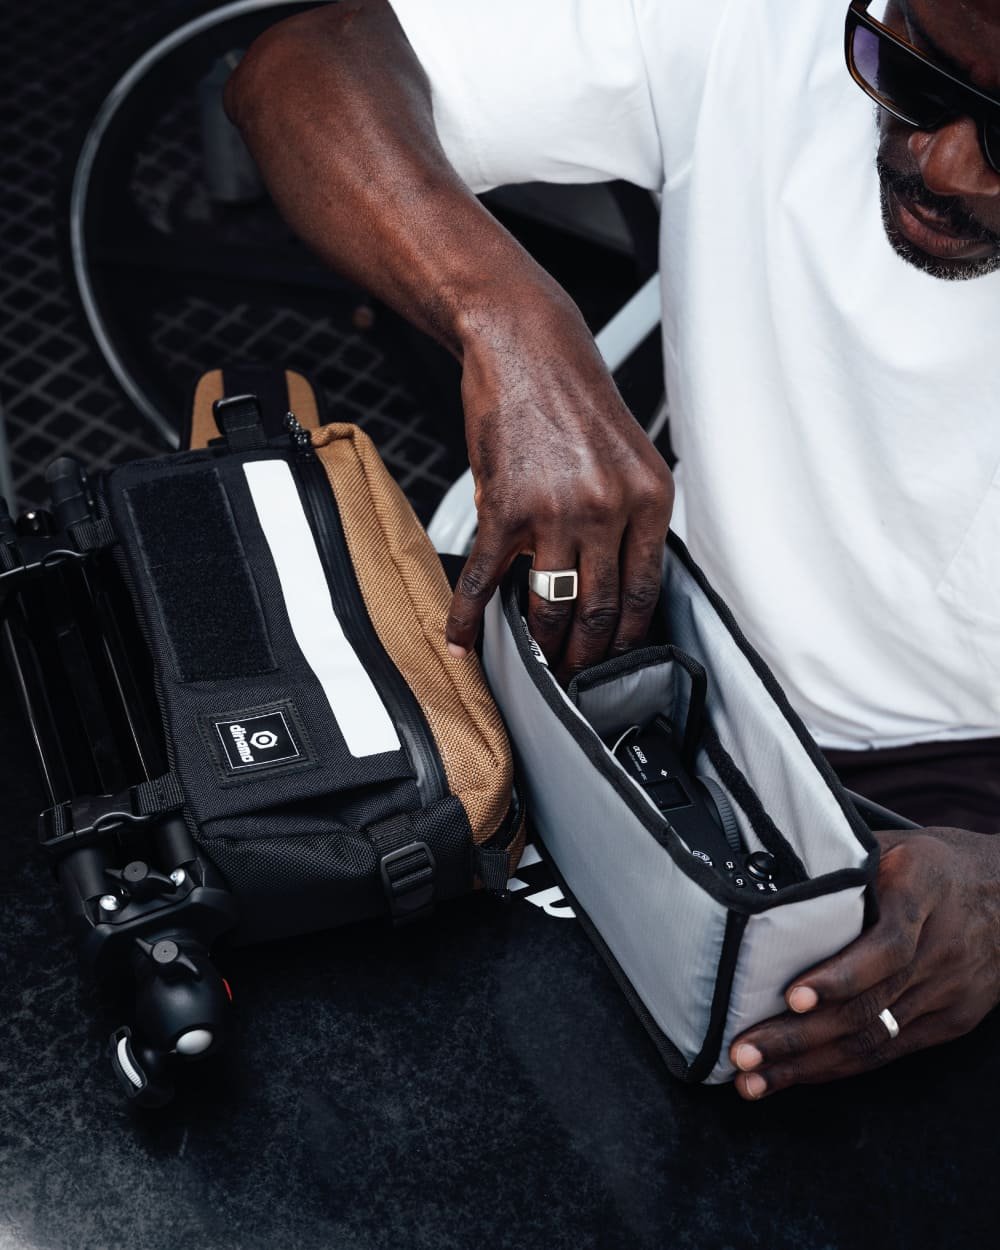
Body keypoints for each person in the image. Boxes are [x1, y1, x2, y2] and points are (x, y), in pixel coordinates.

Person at [224, 0, 1000, 1100]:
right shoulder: (766, 22)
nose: (946, 164)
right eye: (916, 77)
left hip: (965, 802)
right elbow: (300, 68)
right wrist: (511, 323)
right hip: (667, 644)